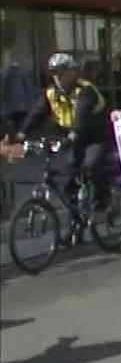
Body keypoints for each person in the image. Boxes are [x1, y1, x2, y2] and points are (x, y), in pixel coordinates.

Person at [13, 53, 114, 241]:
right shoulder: (51, 93)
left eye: (61, 72)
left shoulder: (85, 91)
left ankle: (103, 200)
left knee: (90, 166)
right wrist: (21, 134)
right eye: (54, 73)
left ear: (73, 72)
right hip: (71, 138)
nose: (57, 77)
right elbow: (36, 114)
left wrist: (75, 133)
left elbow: (82, 115)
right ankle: (76, 226)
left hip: (95, 137)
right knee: (67, 181)